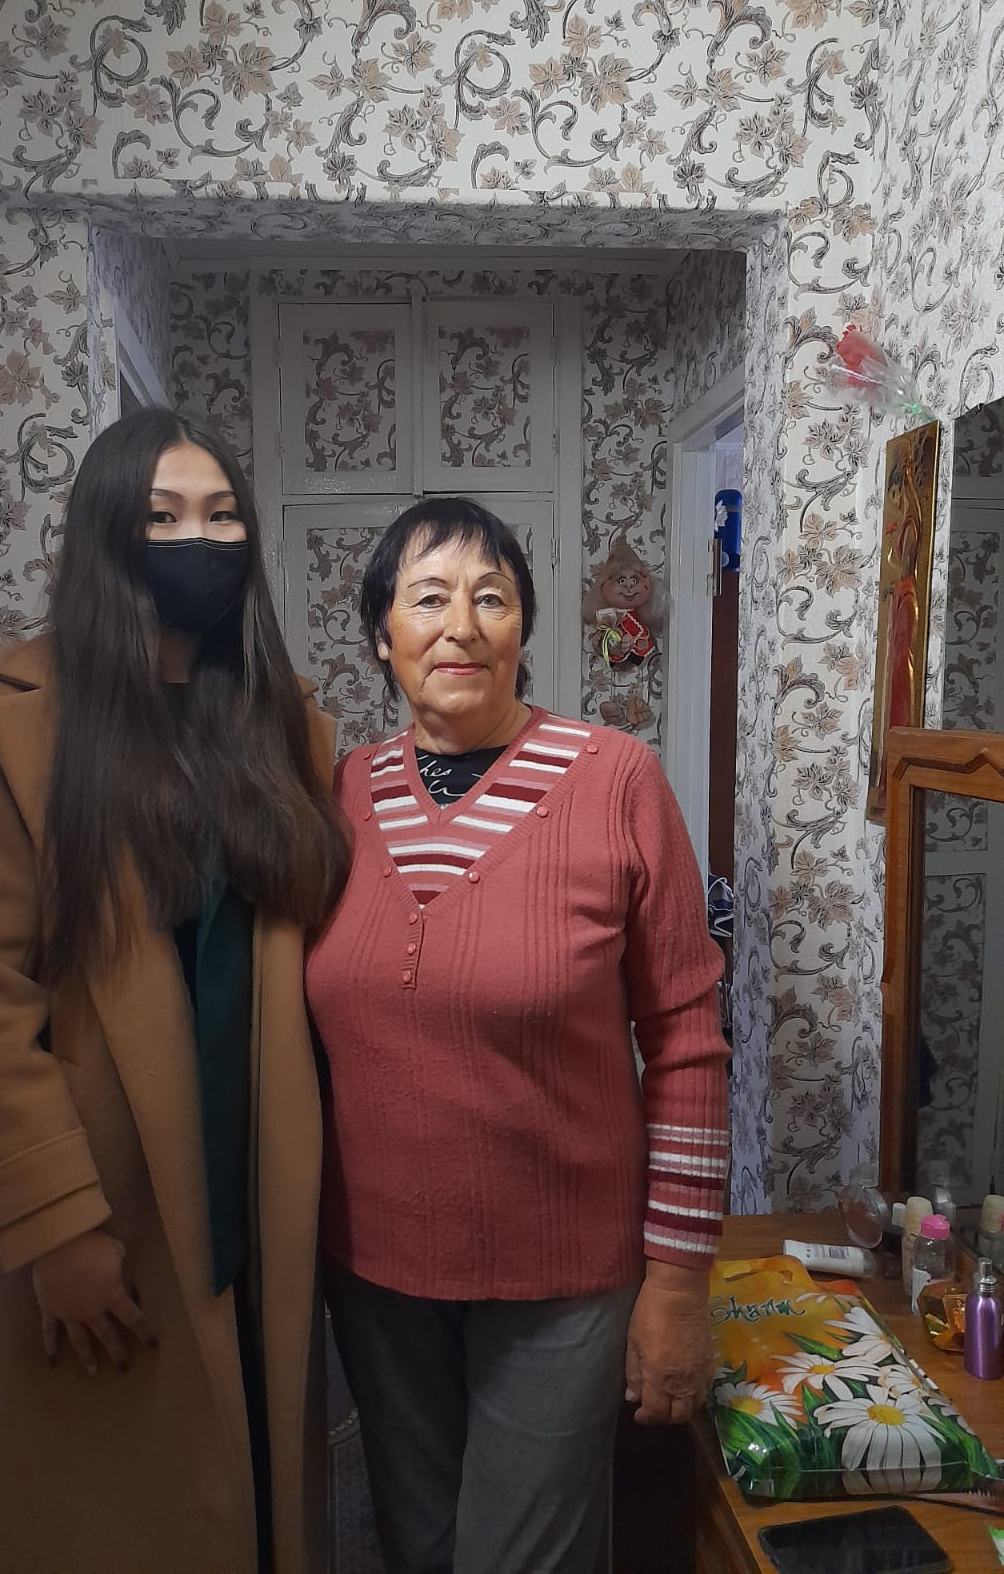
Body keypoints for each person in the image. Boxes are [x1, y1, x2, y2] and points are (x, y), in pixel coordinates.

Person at [0, 409, 349, 1574]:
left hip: (256, 1171)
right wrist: (56, 1225)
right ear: (108, 531)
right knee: (114, 1512)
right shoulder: (16, 713)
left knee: (258, 1483)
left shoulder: (282, 717)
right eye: (163, 517)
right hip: (104, 1185)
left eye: (220, 516)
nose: (196, 540)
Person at [306, 497, 731, 1574]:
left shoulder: (616, 780)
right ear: (381, 634)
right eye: (428, 598)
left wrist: (678, 1281)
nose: (461, 625)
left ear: (523, 627)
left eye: (491, 598)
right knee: (417, 1545)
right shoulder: (338, 793)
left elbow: (686, 1041)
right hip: (377, 1276)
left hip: (563, 1279)